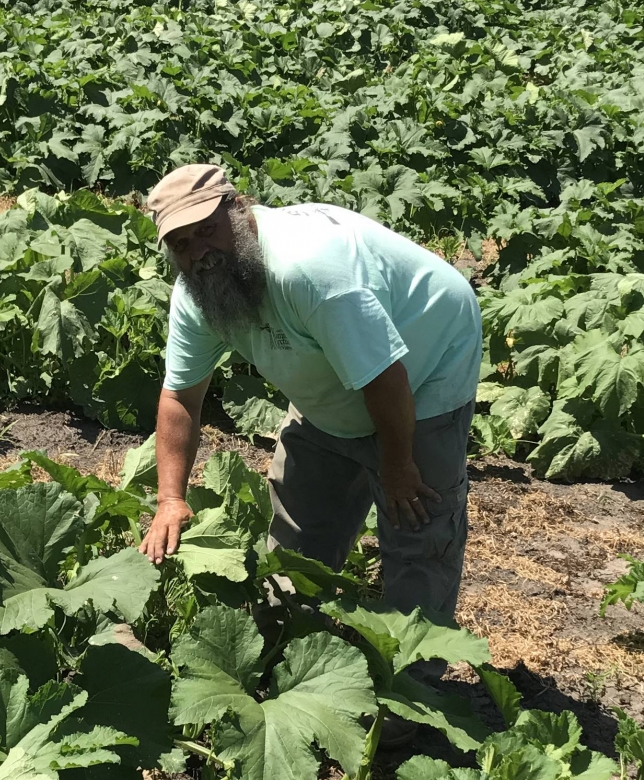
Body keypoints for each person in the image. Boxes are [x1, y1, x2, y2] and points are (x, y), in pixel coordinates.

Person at [139, 164, 482, 742]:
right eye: (180, 242)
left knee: (416, 528)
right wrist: (170, 497)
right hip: (334, 380)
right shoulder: (198, 295)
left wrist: (398, 466)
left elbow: (384, 379)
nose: (199, 251)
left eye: (206, 230)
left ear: (237, 210)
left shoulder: (309, 268)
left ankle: (407, 698)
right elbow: (180, 396)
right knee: (298, 533)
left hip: (423, 366)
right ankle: (287, 658)